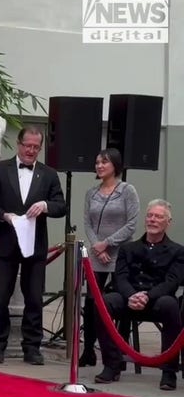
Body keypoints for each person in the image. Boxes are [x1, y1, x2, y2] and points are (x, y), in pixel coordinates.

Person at [0, 126, 66, 365]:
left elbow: (61, 205)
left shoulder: (48, 174)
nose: (31, 150)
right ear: (18, 144)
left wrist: (46, 205)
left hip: (35, 246)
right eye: (27, 145)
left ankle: (32, 347)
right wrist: (3, 215)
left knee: (35, 298)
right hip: (4, 242)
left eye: (36, 147)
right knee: (0, 297)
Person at [93, 199, 184, 390]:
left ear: (168, 222)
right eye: (150, 215)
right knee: (104, 302)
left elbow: (171, 282)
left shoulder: (177, 251)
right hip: (128, 297)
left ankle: (169, 372)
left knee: (171, 305)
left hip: (157, 300)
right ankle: (112, 364)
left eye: (158, 216)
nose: (152, 220)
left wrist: (147, 296)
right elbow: (121, 277)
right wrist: (132, 296)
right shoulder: (128, 248)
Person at [79, 148, 139, 366]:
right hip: (97, 255)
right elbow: (88, 222)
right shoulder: (91, 193)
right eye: (97, 162)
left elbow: (131, 224)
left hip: (120, 255)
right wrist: (97, 245)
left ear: (115, 165)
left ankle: (119, 350)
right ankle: (88, 350)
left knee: (119, 302)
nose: (99, 166)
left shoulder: (127, 190)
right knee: (92, 301)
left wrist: (108, 243)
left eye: (104, 162)